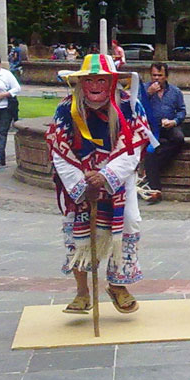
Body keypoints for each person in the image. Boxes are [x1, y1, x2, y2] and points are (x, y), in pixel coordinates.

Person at [45, 54, 151, 314]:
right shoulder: (66, 108)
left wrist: (106, 176)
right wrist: (82, 184)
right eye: (89, 80)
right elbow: (58, 150)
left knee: (129, 221)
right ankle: (82, 292)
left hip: (119, 181)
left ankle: (118, 285)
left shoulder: (129, 106)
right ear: (81, 82)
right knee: (75, 228)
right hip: (79, 181)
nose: (95, 85)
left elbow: (134, 147)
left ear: (112, 82)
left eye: (101, 80)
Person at [142, 63, 186, 203]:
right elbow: (135, 106)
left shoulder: (175, 91)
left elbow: (182, 110)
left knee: (178, 139)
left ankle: (150, 170)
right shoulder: (143, 89)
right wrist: (148, 94)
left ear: (166, 76)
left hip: (168, 126)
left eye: (159, 75)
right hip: (150, 127)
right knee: (150, 153)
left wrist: (174, 121)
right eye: (154, 75)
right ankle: (155, 190)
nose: (156, 78)